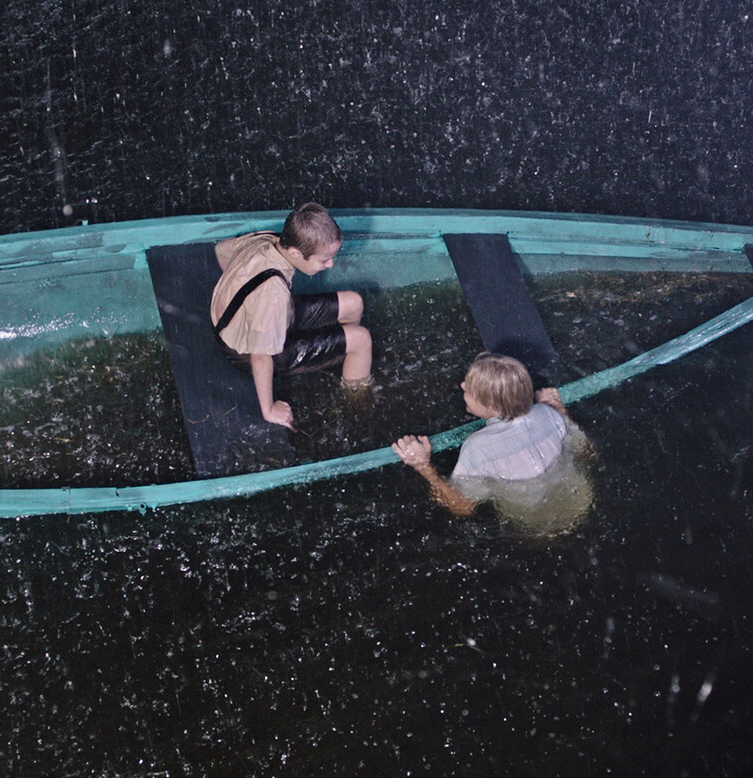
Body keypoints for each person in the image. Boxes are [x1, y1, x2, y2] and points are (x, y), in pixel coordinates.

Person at [211, 203, 373, 429]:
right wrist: (269, 410)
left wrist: (244, 293)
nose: (330, 265)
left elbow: (221, 249)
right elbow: (260, 357)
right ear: (296, 253)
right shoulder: (273, 294)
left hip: (237, 320)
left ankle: (341, 355)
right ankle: (354, 405)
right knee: (362, 339)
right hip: (244, 352)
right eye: (324, 260)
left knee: (354, 302)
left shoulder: (265, 240)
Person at [392, 352, 594, 533]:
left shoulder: (477, 447)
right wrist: (559, 409)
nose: (462, 385)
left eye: (469, 388)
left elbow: (461, 507)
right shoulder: (549, 413)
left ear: (489, 405)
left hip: (537, 523)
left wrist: (422, 465)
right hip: (580, 504)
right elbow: (587, 454)